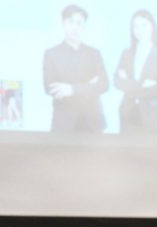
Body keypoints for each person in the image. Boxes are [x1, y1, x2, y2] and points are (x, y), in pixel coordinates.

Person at [42, 4, 109, 132]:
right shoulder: (51, 54)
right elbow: (51, 88)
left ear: (84, 26)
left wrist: (72, 89)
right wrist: (89, 86)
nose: (75, 27)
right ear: (63, 23)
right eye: (70, 22)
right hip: (64, 124)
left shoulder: (94, 54)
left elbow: (104, 84)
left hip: (93, 123)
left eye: (79, 23)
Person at [112, 9, 157, 135]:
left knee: (150, 147)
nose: (139, 30)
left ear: (152, 27)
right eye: (135, 26)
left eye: (144, 25)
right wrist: (142, 84)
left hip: (151, 114)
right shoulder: (126, 54)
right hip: (127, 111)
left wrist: (129, 83)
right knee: (125, 147)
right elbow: (117, 82)